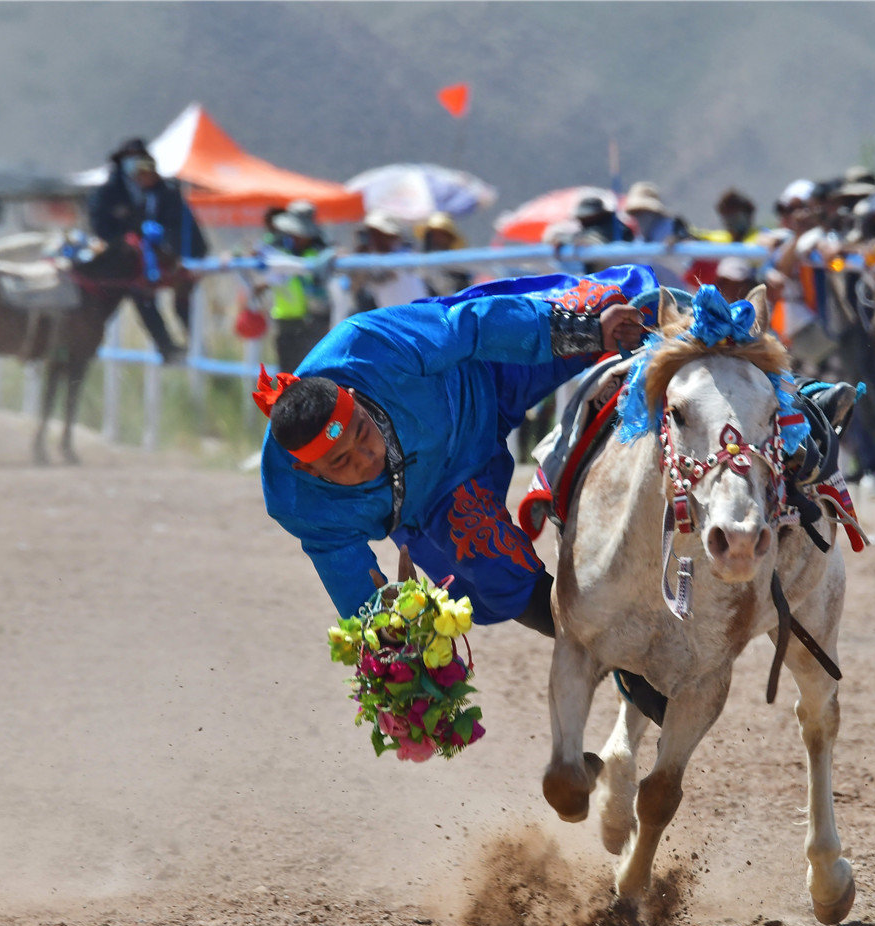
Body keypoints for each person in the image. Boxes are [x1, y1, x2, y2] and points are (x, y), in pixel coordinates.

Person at [258, 266, 658, 712]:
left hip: (482, 366)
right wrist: (399, 668)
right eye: (342, 463)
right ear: (310, 472)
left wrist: (586, 331)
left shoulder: (368, 346)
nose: (366, 458)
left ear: (353, 395)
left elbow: (471, 325)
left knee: (627, 309)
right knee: (499, 575)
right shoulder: (301, 504)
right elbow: (362, 597)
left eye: (363, 434)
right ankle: (622, 659)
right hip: (440, 492)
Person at [87, 138, 209, 362]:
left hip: (171, 259)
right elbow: (104, 225)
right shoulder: (116, 193)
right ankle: (168, 347)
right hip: (135, 263)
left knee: (180, 298)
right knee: (139, 296)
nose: (138, 173)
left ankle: (196, 348)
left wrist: (178, 254)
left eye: (142, 164)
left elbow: (181, 229)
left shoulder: (166, 193)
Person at [259, 204, 331, 375]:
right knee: (288, 376)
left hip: (314, 322)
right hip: (287, 322)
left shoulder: (321, 253)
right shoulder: (279, 249)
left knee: (313, 375)